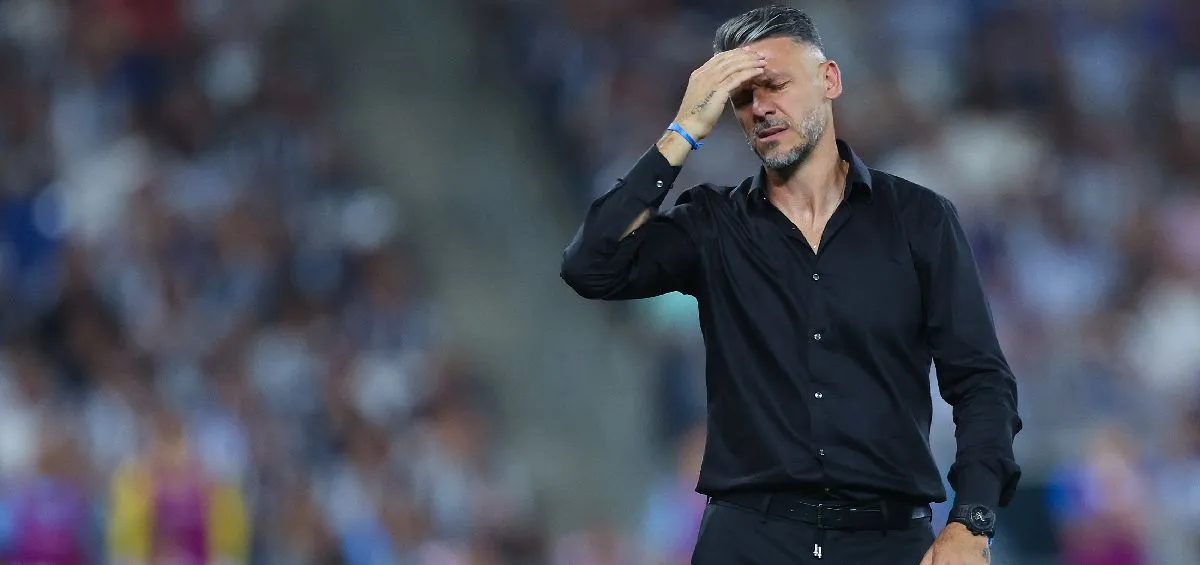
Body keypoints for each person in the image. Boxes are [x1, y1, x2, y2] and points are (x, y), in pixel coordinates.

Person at [559, 5, 1022, 565]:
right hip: (748, 541)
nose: (760, 108)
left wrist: (972, 519)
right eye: (741, 98)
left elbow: (981, 381)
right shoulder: (712, 224)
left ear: (830, 79)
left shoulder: (919, 220)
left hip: (885, 541)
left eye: (776, 85)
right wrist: (683, 130)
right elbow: (591, 265)